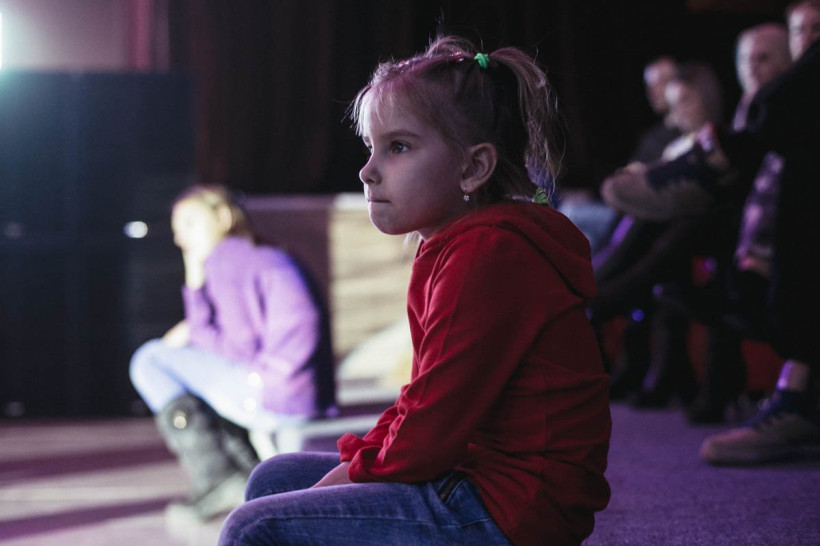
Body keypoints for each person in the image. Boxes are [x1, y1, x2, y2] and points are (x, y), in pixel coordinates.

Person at [219, 36, 611, 546]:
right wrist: (355, 467)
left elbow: (431, 429)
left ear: (473, 168)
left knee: (253, 527)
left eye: (398, 147)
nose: (367, 171)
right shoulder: (456, 246)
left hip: (511, 507)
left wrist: (347, 479)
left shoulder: (488, 255)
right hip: (472, 474)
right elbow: (421, 402)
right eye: (371, 148)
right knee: (274, 479)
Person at [129, 184, 336, 521]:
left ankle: (219, 477)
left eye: (190, 223)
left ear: (223, 217)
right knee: (174, 360)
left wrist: (194, 307)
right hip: (299, 394)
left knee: (150, 360)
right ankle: (242, 466)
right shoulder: (262, 254)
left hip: (270, 392)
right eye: (177, 230)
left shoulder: (227, 260)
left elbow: (238, 349)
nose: (181, 238)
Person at [699, 0, 820, 463]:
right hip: (751, 247)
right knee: (681, 230)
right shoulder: (757, 109)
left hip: (769, 255)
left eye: (818, 28)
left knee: (687, 222)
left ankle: (796, 397)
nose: (810, 38)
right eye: (801, 29)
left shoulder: (781, 108)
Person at [592, 62, 725, 408]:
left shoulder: (716, 141)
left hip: (705, 228)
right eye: (674, 103)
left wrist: (643, 178)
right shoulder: (673, 142)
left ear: (706, 98)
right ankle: (598, 289)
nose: (677, 111)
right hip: (666, 229)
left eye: (685, 101)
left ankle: (598, 293)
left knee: (650, 231)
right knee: (640, 226)